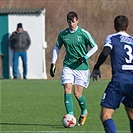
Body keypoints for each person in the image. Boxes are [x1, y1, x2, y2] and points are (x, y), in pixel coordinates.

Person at [50, 11, 98, 126]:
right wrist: (53, 63)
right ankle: (70, 116)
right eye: (69, 22)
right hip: (68, 66)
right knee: (67, 89)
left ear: (78, 20)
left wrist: (85, 57)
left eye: (73, 21)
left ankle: (84, 111)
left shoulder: (84, 33)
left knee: (77, 94)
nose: (71, 24)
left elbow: (95, 47)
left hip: (82, 68)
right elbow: (56, 48)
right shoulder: (63, 34)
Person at [91, 15, 133, 133]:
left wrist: (96, 67)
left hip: (119, 81)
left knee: (105, 115)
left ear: (114, 26)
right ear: (127, 27)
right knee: (132, 114)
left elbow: (105, 52)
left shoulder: (112, 38)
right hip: (132, 81)